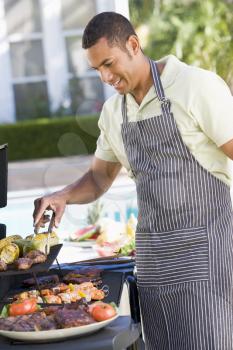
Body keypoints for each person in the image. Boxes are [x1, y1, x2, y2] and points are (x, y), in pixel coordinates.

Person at [33, 12, 233, 349]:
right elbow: (99, 177)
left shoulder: (196, 86)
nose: (106, 77)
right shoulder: (114, 112)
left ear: (134, 45)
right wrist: (64, 195)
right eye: (98, 70)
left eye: (109, 64)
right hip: (154, 264)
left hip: (205, 259)